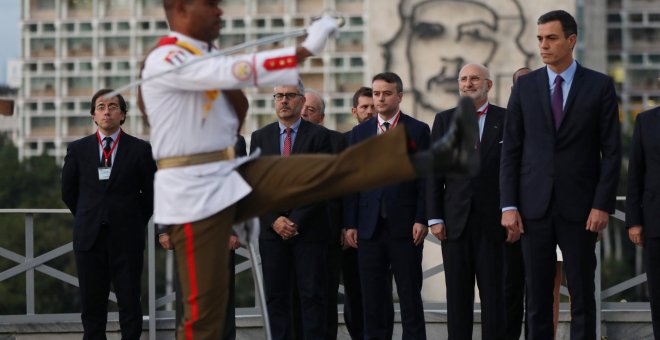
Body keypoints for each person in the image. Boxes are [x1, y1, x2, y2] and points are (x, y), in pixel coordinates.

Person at [140, 1, 479, 338]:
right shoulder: (167, 57)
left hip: (228, 175)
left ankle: (436, 155)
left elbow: (232, 97)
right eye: (210, 5)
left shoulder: (199, 55)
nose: (220, 12)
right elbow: (238, 71)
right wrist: (304, 49)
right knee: (204, 312)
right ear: (181, 9)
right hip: (195, 186)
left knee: (327, 171)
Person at [500, 10, 621, 340]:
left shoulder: (599, 86)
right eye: (539, 39)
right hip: (532, 209)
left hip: (582, 210)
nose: (543, 45)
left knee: (582, 295)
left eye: (551, 38)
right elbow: (510, 151)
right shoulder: (524, 87)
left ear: (571, 40)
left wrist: (602, 205)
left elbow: (611, 152)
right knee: (536, 298)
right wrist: (508, 205)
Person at [61, 89, 157, 340]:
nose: (107, 111)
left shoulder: (140, 149)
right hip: (89, 237)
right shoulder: (78, 149)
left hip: (126, 238)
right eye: (101, 107)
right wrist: (89, 215)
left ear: (123, 115)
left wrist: (134, 221)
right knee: (92, 306)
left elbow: (152, 194)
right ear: (93, 115)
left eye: (113, 106)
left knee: (129, 303)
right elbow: (69, 192)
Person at [344, 72, 430, 339]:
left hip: (406, 229)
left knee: (409, 299)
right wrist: (350, 223)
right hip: (368, 230)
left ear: (400, 97)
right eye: (377, 93)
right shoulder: (359, 133)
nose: (380, 98)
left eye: (386, 93)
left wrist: (422, 218)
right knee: (373, 301)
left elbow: (426, 179)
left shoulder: (417, 130)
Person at [428, 63, 510, 339]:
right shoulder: (443, 120)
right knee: (458, 299)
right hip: (454, 224)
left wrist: (513, 212)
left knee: (495, 297)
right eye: (463, 79)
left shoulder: (507, 119)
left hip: (495, 223)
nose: (468, 83)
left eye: (475, 78)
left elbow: (516, 169)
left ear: (489, 84)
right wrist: (435, 217)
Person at [250, 81, 332, 339]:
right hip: (272, 234)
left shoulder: (319, 136)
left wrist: (295, 221)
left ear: (301, 101)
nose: (283, 101)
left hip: (308, 233)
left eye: (289, 96)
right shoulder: (260, 137)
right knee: (276, 299)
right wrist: (274, 220)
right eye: (278, 96)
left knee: (311, 298)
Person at [301, 88, 348, 340]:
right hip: (291, 233)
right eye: (303, 108)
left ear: (321, 117)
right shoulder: (280, 138)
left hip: (326, 231)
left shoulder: (336, 141)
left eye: (312, 109)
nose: (305, 112)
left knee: (324, 297)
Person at [626, 107, 660, 339]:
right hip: (655, 221)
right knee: (658, 295)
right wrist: (633, 221)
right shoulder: (646, 120)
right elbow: (635, 173)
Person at [503, 66, 529, 340]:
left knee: (542, 291)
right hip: (509, 222)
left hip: (543, 217)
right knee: (509, 289)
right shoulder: (503, 121)